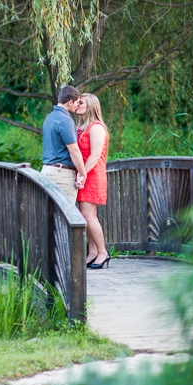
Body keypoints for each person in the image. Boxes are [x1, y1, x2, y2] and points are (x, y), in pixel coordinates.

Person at [74, 92, 111, 269]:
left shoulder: (96, 127)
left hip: (92, 175)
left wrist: (82, 174)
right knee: (86, 215)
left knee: (88, 215)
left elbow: (95, 155)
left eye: (81, 102)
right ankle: (93, 252)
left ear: (91, 106)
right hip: (85, 174)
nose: (77, 104)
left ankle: (103, 252)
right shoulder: (81, 126)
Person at [41, 86, 88, 202]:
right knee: (67, 217)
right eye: (77, 102)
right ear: (70, 102)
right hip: (62, 175)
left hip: (46, 171)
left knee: (50, 216)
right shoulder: (65, 120)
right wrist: (83, 173)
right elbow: (74, 151)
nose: (78, 105)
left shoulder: (49, 118)